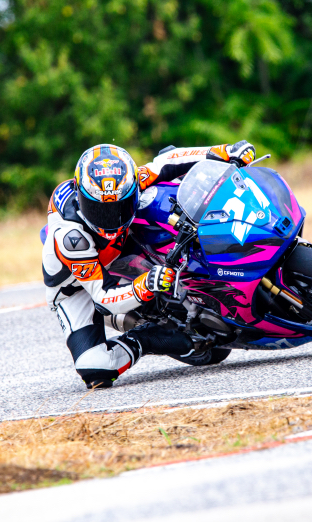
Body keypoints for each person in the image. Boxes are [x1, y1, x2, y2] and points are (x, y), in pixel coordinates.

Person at [42, 141, 257, 389]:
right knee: (96, 367)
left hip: (122, 245)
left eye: (119, 207)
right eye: (100, 210)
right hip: (78, 285)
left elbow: (168, 161)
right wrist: (146, 285)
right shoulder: (71, 238)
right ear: (81, 198)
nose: (110, 220)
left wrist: (224, 152)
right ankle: (147, 337)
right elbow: (102, 297)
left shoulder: (127, 181)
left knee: (167, 195)